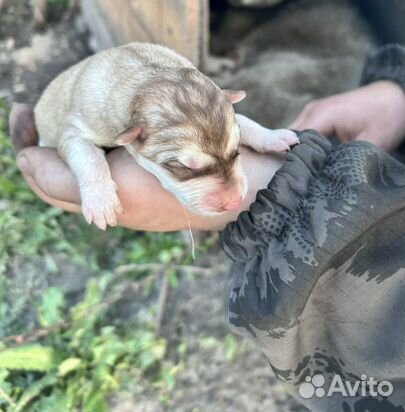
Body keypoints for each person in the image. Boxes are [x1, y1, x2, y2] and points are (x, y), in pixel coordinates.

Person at [10, 44, 405, 411]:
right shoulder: (101, 105)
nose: (232, 194)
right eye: (188, 169)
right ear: (134, 138)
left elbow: (226, 120)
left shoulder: (193, 90)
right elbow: (72, 136)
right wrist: (95, 181)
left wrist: (262, 150)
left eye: (233, 156)